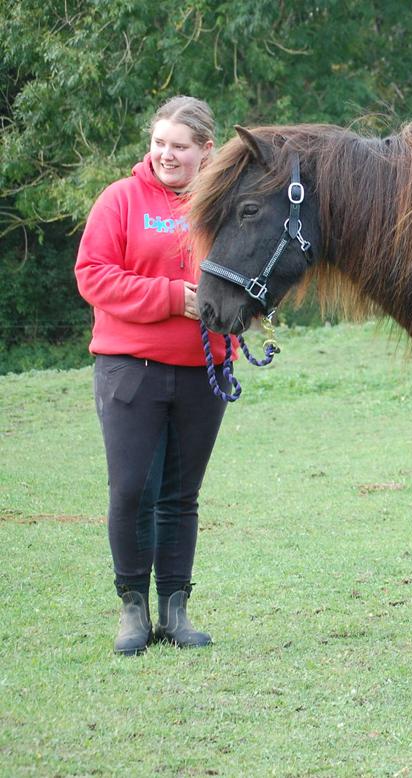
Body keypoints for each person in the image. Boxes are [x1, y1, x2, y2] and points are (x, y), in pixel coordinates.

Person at [75, 96, 231, 656]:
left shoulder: (225, 205)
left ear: (205, 150)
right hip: (129, 370)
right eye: (160, 143)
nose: (167, 154)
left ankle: (175, 611)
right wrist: (170, 297)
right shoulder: (120, 199)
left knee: (181, 496)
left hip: (203, 370)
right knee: (131, 491)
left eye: (180, 146)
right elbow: (93, 275)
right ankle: (132, 610)